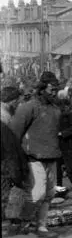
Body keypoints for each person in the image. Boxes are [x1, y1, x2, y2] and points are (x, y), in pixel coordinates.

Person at [9, 71, 62, 238]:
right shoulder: (28, 107)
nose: (54, 93)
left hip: (52, 156)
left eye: (56, 89)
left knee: (49, 194)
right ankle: (22, 221)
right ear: (42, 88)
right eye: (52, 89)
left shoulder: (55, 109)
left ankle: (42, 227)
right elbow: (14, 134)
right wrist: (15, 159)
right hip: (33, 157)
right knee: (37, 193)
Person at [1, 88, 28, 229]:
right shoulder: (4, 116)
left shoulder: (6, 113)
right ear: (12, 100)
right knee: (5, 191)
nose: (18, 103)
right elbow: (9, 145)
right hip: (5, 158)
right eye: (17, 100)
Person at [56, 91, 72, 197]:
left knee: (70, 167)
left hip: (68, 144)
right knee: (57, 170)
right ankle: (59, 191)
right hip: (56, 145)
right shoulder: (54, 116)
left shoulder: (70, 115)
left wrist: (63, 133)